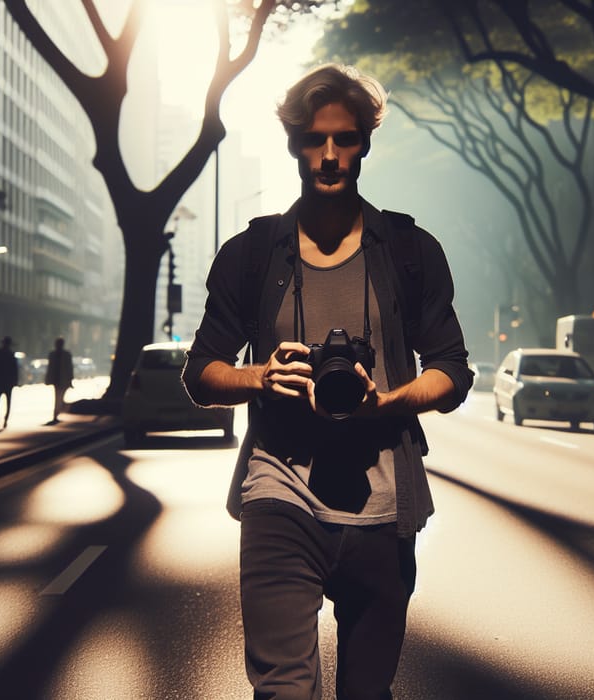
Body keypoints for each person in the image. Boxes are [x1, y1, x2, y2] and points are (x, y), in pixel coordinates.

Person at [182, 63, 473, 700]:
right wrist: (260, 377)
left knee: (366, 693)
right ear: (294, 143)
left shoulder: (409, 251)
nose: (331, 156)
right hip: (279, 489)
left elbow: (453, 370)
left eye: (346, 140)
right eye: (315, 140)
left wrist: (388, 401)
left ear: (366, 141)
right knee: (283, 688)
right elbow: (200, 374)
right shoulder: (251, 254)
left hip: (383, 501)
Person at [0, 336, 19, 429]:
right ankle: (5, 418)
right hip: (7, 382)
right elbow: (15, 370)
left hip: (0, 381)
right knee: (8, 401)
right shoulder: (11, 354)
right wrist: (15, 381)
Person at [45, 336, 73, 423]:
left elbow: (69, 368)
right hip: (57, 379)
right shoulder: (53, 354)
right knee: (58, 397)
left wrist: (70, 379)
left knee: (59, 397)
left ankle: (57, 412)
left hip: (63, 379)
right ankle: (56, 413)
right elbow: (50, 368)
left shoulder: (65, 355)